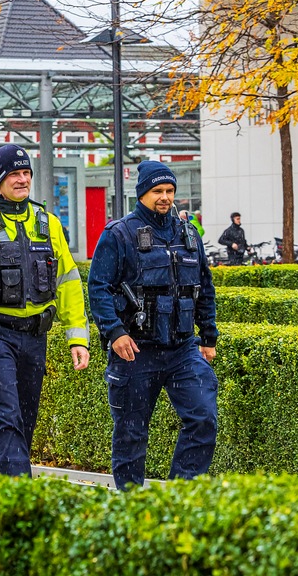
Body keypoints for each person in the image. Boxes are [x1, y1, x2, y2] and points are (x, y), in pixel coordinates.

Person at [0, 144, 90, 477]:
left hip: (34, 337)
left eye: (26, 173)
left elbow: (67, 281)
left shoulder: (48, 223)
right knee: (8, 417)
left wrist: (77, 337)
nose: (23, 180)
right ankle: (20, 503)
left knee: (21, 423)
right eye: (14, 174)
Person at [87, 160, 219, 490]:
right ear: (142, 193)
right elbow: (98, 287)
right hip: (136, 351)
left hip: (182, 350)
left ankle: (177, 497)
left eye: (170, 191)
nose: (165, 197)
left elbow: (204, 286)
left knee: (203, 418)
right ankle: (132, 507)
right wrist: (114, 331)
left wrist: (209, 336)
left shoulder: (189, 234)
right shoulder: (119, 234)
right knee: (131, 433)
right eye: (157, 191)